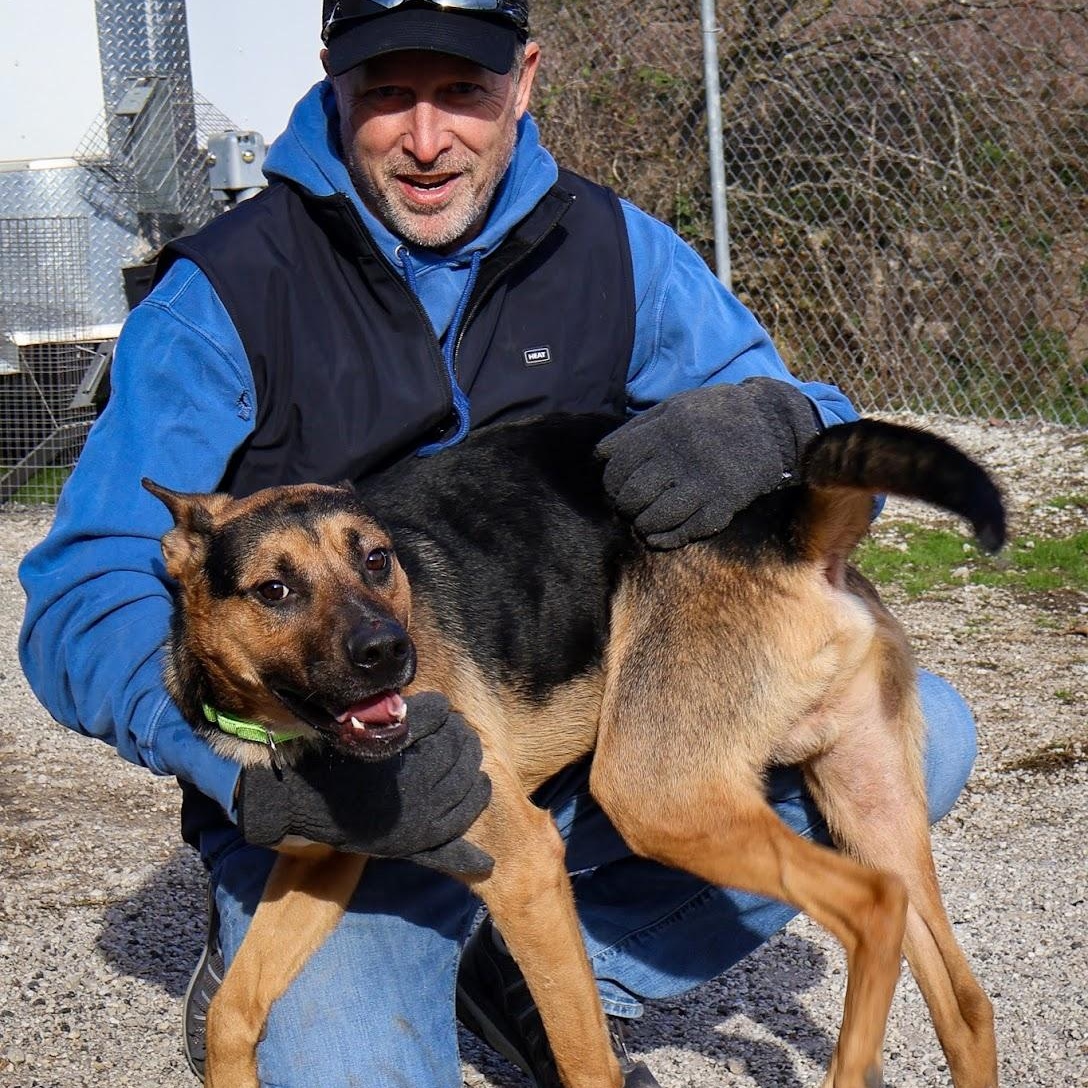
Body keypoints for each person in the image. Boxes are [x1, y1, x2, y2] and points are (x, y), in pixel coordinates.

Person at [18, 2, 981, 1085]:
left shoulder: (619, 253)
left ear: (523, 80)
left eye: (463, 93)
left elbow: (815, 443)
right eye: (389, 94)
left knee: (926, 733)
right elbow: (82, 588)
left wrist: (782, 425)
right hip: (332, 791)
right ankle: (337, 966)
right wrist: (238, 773)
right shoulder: (227, 292)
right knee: (349, 1068)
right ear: (332, 79)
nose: (427, 139)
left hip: (573, 743)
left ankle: (536, 961)